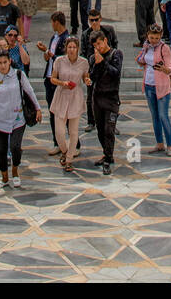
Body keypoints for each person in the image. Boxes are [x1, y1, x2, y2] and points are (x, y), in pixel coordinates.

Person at [0, 48, 41, 189]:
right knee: (2, 150)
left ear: (10, 61)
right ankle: (4, 177)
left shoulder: (19, 75)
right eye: (0, 63)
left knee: (15, 147)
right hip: (0, 120)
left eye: (5, 62)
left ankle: (15, 170)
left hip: (18, 118)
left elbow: (29, 91)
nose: (3, 65)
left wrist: (38, 108)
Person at [49, 35, 89, 172]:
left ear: (78, 49)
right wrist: (62, 83)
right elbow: (52, 79)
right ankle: (65, 152)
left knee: (73, 131)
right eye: (69, 47)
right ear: (66, 48)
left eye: (74, 47)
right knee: (59, 131)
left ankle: (69, 159)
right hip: (61, 95)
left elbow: (85, 77)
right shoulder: (59, 61)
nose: (72, 50)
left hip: (75, 97)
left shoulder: (83, 62)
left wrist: (87, 80)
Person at [88, 29, 123, 175]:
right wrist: (96, 64)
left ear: (105, 41)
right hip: (98, 97)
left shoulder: (116, 54)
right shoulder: (92, 58)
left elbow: (116, 73)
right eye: (95, 45)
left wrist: (103, 63)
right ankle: (107, 154)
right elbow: (93, 77)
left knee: (109, 129)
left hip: (112, 98)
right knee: (101, 129)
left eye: (100, 44)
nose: (98, 47)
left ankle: (108, 159)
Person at [136, 23, 171, 154]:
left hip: (162, 86)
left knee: (163, 116)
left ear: (160, 37)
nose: (154, 41)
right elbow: (142, 61)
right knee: (155, 116)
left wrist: (164, 69)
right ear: (148, 36)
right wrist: (143, 53)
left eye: (157, 38)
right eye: (152, 38)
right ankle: (159, 143)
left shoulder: (164, 48)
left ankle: (170, 145)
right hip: (148, 84)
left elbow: (170, 69)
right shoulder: (147, 46)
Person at [36, 12, 70, 153]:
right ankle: (56, 142)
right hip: (49, 77)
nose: (51, 25)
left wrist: (48, 52)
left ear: (56, 22)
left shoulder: (67, 39)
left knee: (64, 113)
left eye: (52, 22)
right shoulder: (54, 38)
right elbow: (49, 58)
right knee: (52, 112)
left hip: (59, 80)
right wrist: (46, 53)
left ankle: (75, 143)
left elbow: (63, 60)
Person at [80, 9, 118, 131]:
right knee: (90, 95)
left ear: (100, 19)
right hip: (93, 68)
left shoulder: (108, 31)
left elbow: (115, 45)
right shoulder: (86, 34)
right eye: (92, 20)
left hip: (108, 66)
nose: (94, 22)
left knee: (112, 96)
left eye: (96, 19)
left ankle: (112, 123)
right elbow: (83, 52)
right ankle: (91, 121)